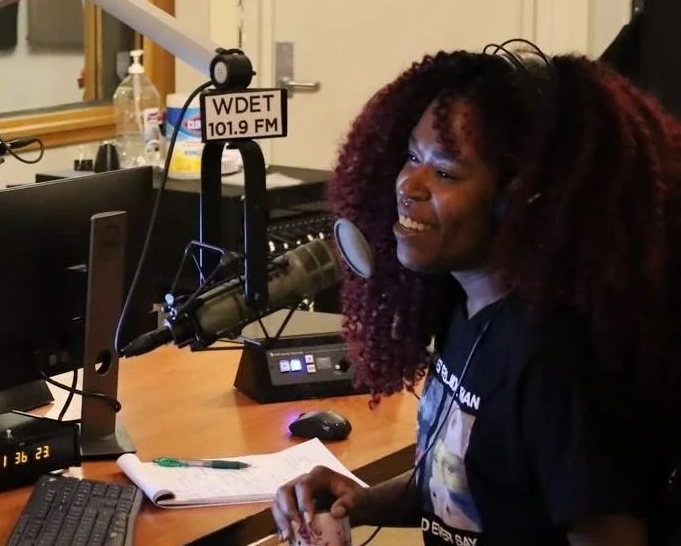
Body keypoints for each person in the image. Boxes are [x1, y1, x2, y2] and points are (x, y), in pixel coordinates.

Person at [271, 43, 681, 545]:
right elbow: (473, 484)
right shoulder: (467, 307)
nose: (409, 185)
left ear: (519, 200)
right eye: (413, 156)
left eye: (444, 172)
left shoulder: (558, 363)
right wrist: (360, 500)